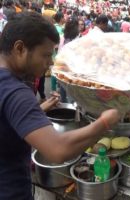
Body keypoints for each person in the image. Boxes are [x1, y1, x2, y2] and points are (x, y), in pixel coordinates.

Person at [0, 12, 120, 200]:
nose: (50, 62)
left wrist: (40, 109)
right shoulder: (17, 93)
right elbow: (57, 150)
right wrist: (104, 123)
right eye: (46, 54)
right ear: (20, 48)